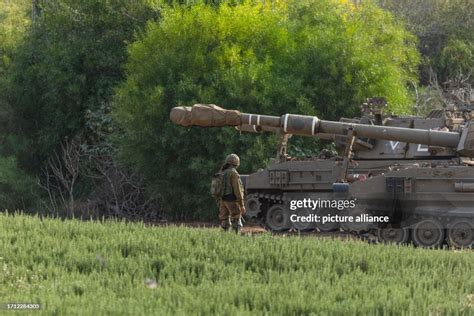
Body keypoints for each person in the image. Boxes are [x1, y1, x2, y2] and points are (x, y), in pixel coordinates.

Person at [218, 154, 246, 232]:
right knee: (237, 218)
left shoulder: (222, 172)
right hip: (231, 200)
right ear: (236, 163)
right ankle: (235, 238)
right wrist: (242, 205)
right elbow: (238, 191)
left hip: (222, 200)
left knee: (225, 220)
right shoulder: (233, 173)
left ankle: (224, 239)